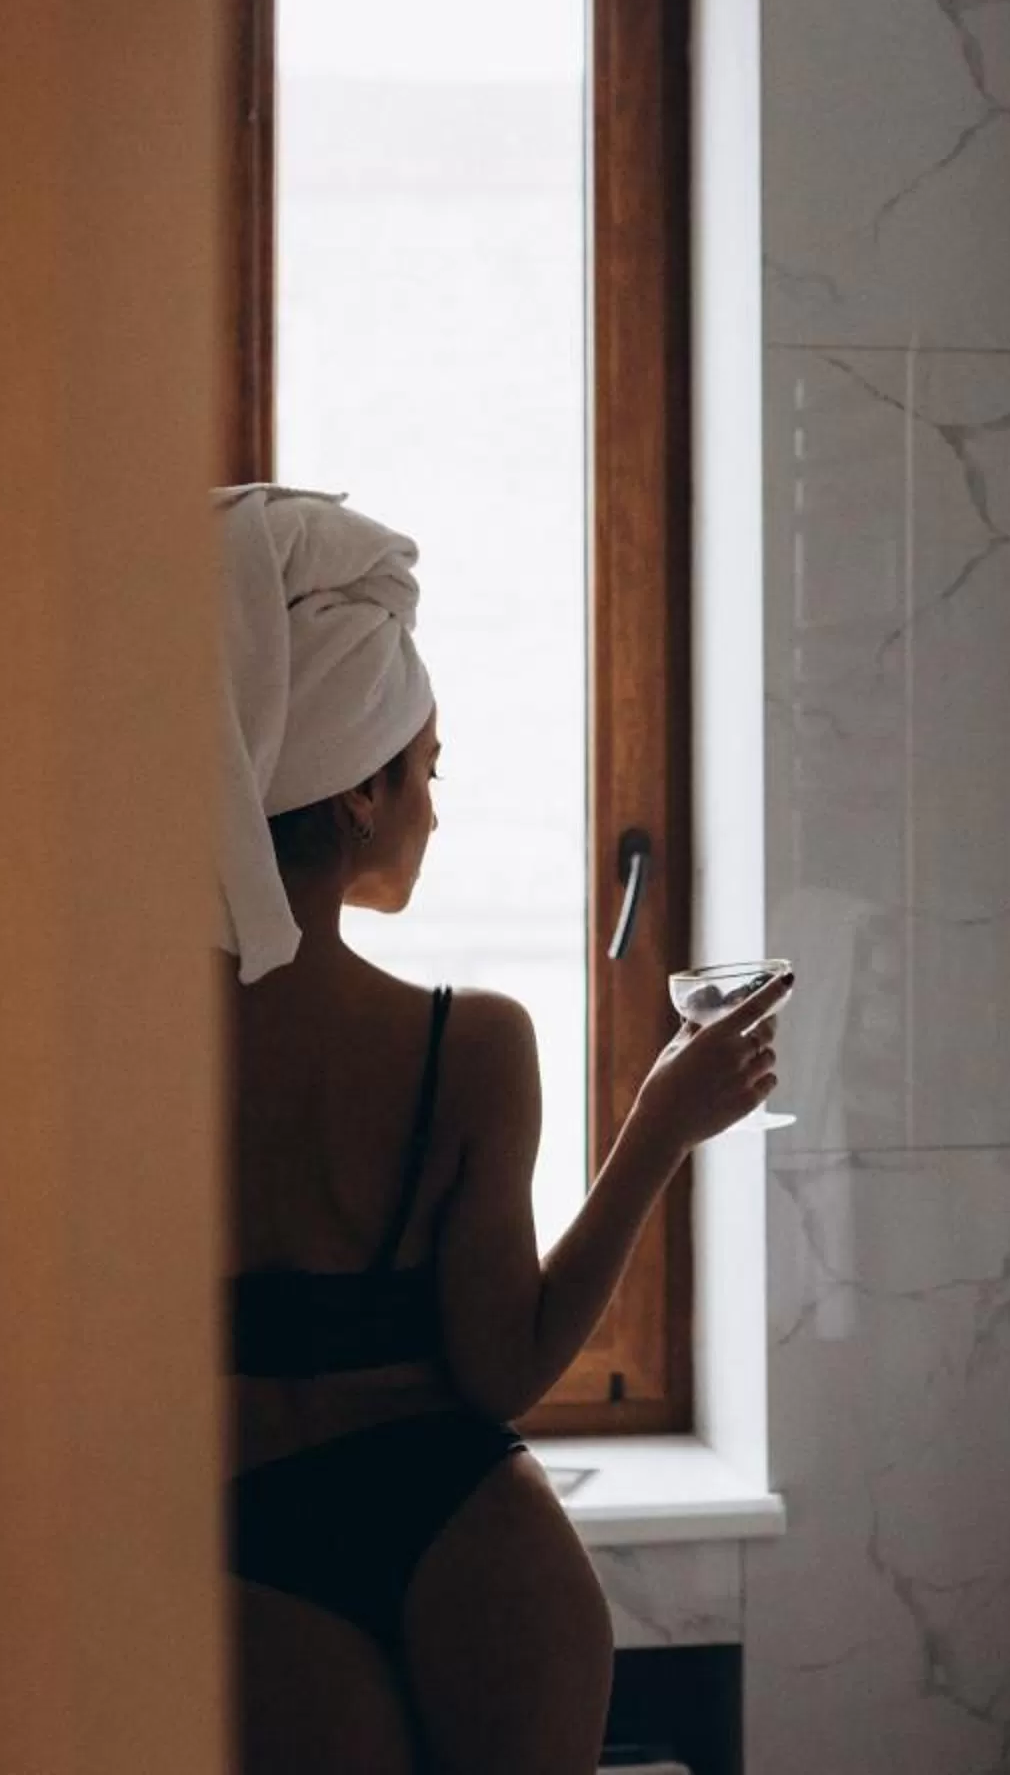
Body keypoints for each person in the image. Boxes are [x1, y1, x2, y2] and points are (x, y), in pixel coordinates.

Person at [213, 486, 787, 1774]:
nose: (435, 806)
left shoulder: (110, 1056)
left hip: (230, 1563)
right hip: (469, 1533)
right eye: (426, 770)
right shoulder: (465, 1040)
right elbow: (502, 1370)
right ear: (359, 791)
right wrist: (657, 1131)